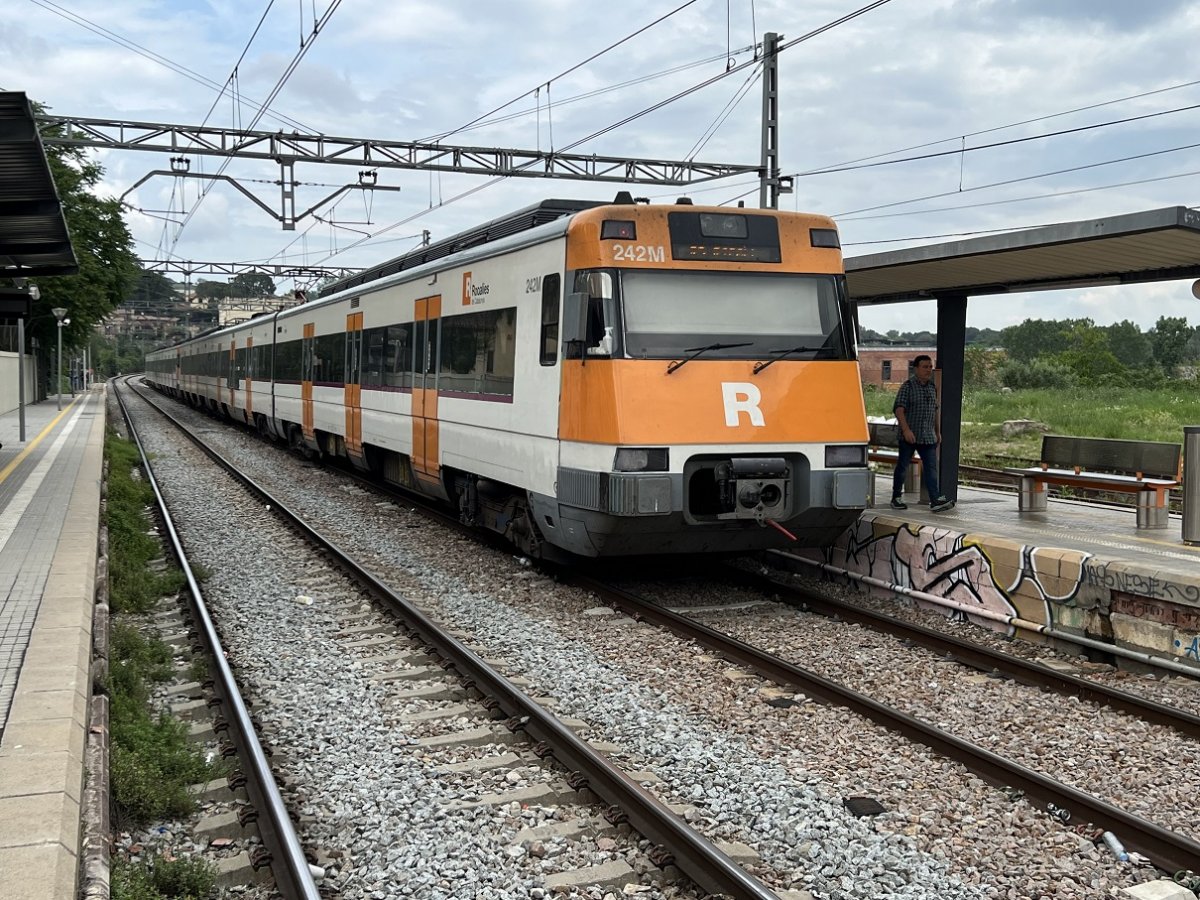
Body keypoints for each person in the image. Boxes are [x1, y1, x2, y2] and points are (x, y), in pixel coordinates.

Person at [891, 354, 953, 512]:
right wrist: (905, 430)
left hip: (928, 436)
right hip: (910, 436)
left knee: (931, 468)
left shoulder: (932, 388)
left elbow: (935, 411)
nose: (928, 370)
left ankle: (935, 500)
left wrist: (938, 432)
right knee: (903, 466)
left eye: (930, 367)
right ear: (916, 368)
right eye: (925, 367)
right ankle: (896, 497)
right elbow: (899, 409)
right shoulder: (908, 386)